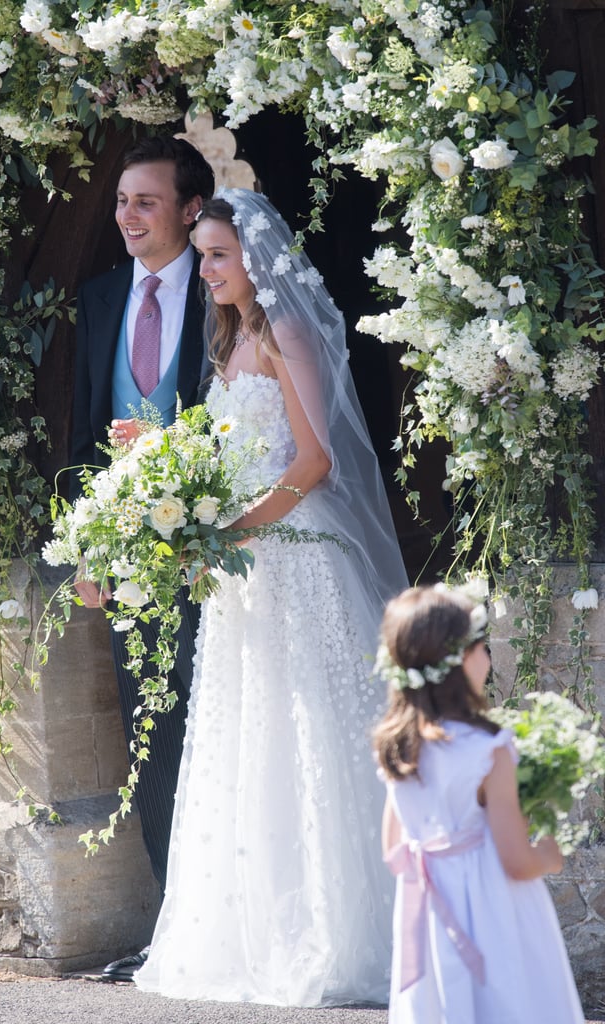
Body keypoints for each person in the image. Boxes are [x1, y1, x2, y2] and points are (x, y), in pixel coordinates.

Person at [134, 188, 409, 1006]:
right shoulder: (231, 339)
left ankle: (335, 932)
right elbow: (234, 452)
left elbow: (314, 459)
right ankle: (255, 929)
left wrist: (231, 533)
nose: (208, 268)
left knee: (307, 730)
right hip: (245, 567)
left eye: (219, 255)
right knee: (248, 734)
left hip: (289, 554)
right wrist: (162, 459)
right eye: (205, 255)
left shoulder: (285, 331)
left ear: (257, 259)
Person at [70, 135, 215, 981]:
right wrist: (88, 546)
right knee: (150, 735)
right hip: (127, 562)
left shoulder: (229, 291)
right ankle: (175, 933)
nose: (128, 215)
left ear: (190, 209)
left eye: (146, 201)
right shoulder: (96, 299)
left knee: (221, 729)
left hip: (222, 557)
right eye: (123, 200)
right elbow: (85, 432)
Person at [373, 585, 585, 1023]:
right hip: (492, 909)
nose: (486, 657)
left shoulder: (397, 746)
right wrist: (548, 854)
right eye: (482, 647)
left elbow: (394, 849)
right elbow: (515, 861)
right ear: (461, 662)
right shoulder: (489, 749)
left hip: (430, 915)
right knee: (505, 1000)